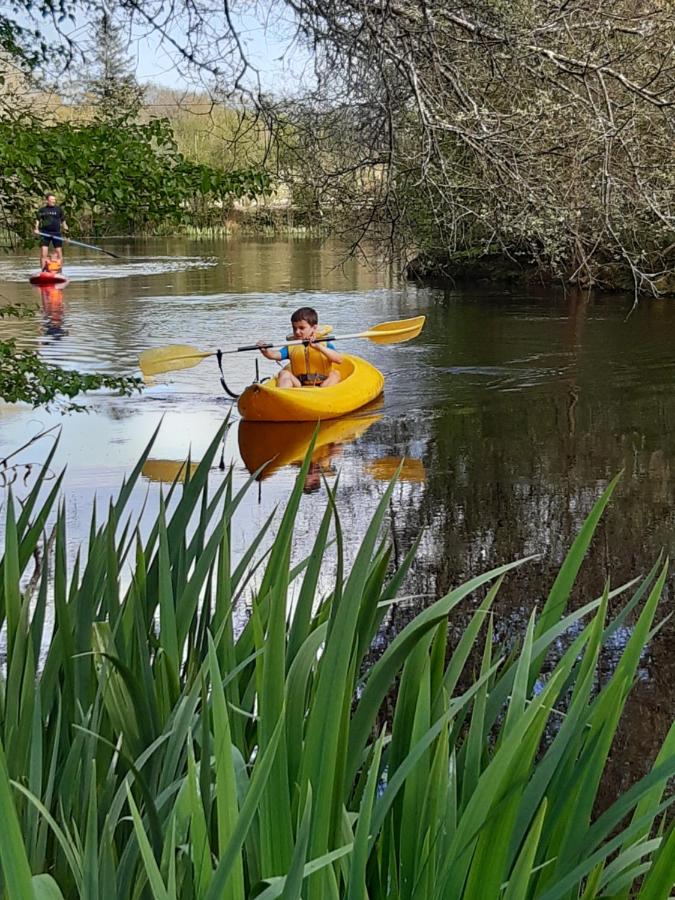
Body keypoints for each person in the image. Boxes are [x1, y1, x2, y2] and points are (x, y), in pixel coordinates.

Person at [258, 306, 343, 388]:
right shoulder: (292, 345)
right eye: (294, 328)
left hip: (323, 383)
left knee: (335, 374)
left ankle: (324, 396)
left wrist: (318, 347)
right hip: (299, 384)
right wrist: (265, 351)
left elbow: (339, 360)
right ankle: (284, 397)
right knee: (284, 373)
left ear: (314, 328)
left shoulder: (324, 343)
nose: (297, 332)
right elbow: (275, 355)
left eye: (302, 328)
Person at [34, 193, 68, 270]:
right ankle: (43, 271)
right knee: (43, 253)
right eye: (52, 199)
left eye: (54, 199)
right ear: (47, 200)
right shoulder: (42, 210)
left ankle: (59, 271)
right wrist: (36, 229)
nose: (53, 201)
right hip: (45, 233)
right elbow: (37, 220)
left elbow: (64, 222)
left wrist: (66, 233)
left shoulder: (59, 209)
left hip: (56, 233)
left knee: (59, 253)